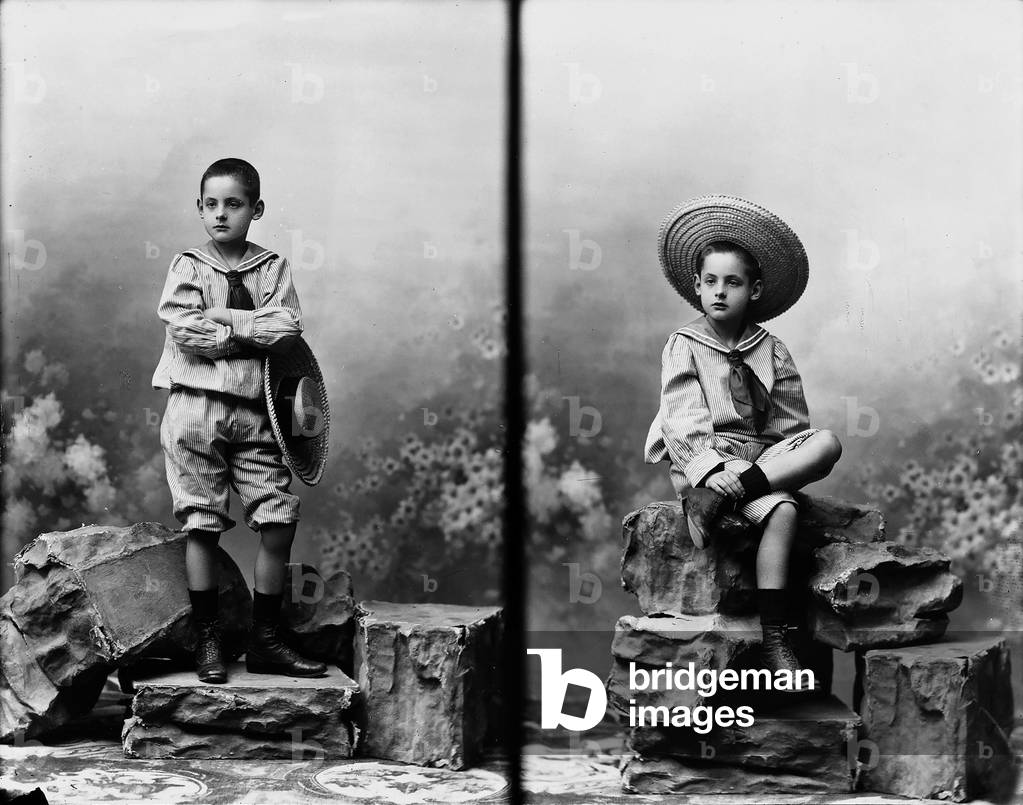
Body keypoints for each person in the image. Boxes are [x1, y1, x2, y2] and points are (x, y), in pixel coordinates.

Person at [644, 195, 842, 675]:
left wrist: (764, 470)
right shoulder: (684, 344)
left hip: (758, 466)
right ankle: (708, 495)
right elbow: (683, 419)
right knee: (775, 500)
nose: (719, 292)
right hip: (707, 459)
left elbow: (793, 424)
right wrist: (717, 469)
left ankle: (775, 642)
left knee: (825, 445)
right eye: (710, 281)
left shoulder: (771, 349)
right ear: (696, 286)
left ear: (753, 290)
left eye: (732, 283)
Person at [152, 157, 326, 683]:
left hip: (258, 413)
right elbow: (186, 330)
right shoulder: (187, 266)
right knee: (202, 524)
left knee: (278, 519)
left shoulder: (272, 268)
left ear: (256, 209)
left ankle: (266, 639)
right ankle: (208, 638)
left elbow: (287, 326)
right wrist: (242, 333)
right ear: (199, 209)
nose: (221, 214)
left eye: (234, 204)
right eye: (211, 204)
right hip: (195, 411)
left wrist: (226, 316)